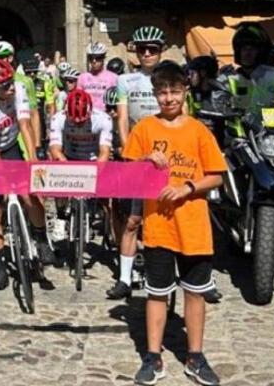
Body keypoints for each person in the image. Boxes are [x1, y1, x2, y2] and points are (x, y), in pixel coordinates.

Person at [122, 62, 226, 386]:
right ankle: (153, 357)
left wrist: (186, 188)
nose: (168, 98)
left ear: (184, 92)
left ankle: (195, 356)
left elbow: (216, 176)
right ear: (155, 94)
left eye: (174, 91)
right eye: (162, 92)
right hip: (158, 227)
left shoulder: (198, 130)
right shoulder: (144, 129)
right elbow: (126, 172)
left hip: (193, 227)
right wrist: (145, 160)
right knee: (157, 293)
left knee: (195, 293)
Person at [0, 58, 54, 290]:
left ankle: (41, 239)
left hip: (11, 148)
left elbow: (25, 126)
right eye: (3, 86)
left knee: (29, 196)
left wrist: (34, 160)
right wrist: (4, 186)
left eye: (9, 83)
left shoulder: (18, 90)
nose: (9, 88)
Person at [108, 26, 166, 301]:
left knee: (171, 218)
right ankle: (124, 278)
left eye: (152, 49)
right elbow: (121, 116)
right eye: (141, 49)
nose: (146, 54)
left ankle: (194, 273)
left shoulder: (170, 77)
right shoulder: (125, 81)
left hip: (167, 156)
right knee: (131, 220)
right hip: (137, 155)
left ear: (160, 51)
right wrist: (126, 149)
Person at [80, 42, 119, 114]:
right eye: (91, 58)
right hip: (87, 118)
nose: (94, 61)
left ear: (103, 58)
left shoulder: (114, 78)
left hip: (106, 117)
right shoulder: (82, 77)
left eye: (98, 58)